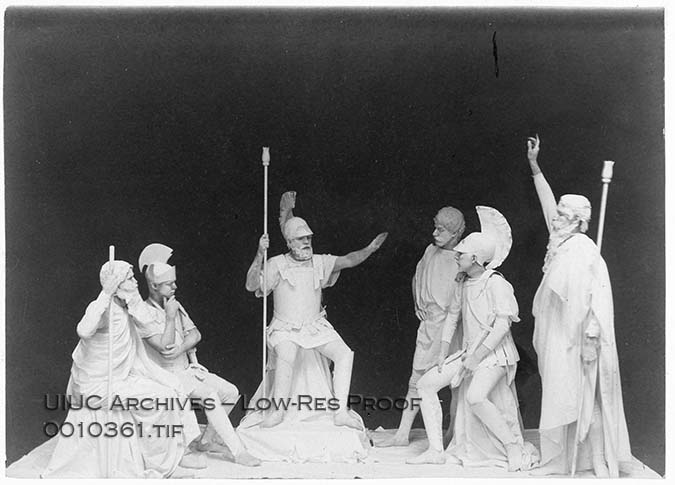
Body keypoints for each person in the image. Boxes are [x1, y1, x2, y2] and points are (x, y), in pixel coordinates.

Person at [526, 135, 632, 477]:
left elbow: (599, 298)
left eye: (561, 215)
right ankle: (558, 461)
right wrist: (535, 166)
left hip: (576, 335)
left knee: (587, 397)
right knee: (560, 396)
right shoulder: (558, 239)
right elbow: (547, 203)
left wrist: (591, 334)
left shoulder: (584, 249)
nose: (555, 218)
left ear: (575, 220)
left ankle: (597, 459)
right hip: (554, 333)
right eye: (557, 214)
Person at [407, 207, 537, 472]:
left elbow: (501, 326)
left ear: (476, 259)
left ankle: (512, 446)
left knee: (476, 397)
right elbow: (453, 317)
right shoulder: (462, 282)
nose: (456, 256)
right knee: (425, 385)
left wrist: (476, 358)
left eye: (461, 254)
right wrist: (443, 351)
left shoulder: (496, 283)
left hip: (495, 356)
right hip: (469, 352)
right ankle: (435, 451)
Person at [43, 260, 200, 478]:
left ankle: (172, 458)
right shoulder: (103, 309)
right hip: (98, 383)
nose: (136, 282)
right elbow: (84, 330)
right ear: (115, 283)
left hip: (123, 376)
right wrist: (105, 293)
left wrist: (170, 317)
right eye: (130, 278)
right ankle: (160, 465)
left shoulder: (130, 307)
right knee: (160, 399)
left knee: (171, 388)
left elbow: (164, 344)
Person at [245, 193, 388, 430]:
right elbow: (251, 286)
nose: (306, 242)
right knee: (287, 353)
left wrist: (370, 249)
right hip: (285, 328)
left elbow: (348, 260)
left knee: (344, 354)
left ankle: (340, 412)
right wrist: (260, 253)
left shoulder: (319, 262)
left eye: (309, 238)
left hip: (314, 326)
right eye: (300, 239)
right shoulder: (277, 263)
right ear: (289, 242)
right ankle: (278, 411)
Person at [136, 243, 261, 467]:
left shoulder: (175, 304)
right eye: (169, 283)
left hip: (186, 370)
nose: (175, 286)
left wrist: (181, 347)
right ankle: (239, 452)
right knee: (210, 396)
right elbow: (164, 349)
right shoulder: (144, 313)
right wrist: (170, 318)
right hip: (166, 376)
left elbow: (195, 334)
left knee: (231, 392)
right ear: (154, 286)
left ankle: (206, 441)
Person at [377, 207, 464, 448]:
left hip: (450, 328)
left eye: (441, 229)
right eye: (435, 227)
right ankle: (402, 434)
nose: (435, 233)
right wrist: (418, 302)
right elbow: (418, 275)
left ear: (455, 233)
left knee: (456, 382)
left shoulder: (462, 258)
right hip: (429, 325)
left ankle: (452, 433)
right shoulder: (430, 251)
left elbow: (463, 296)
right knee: (416, 379)